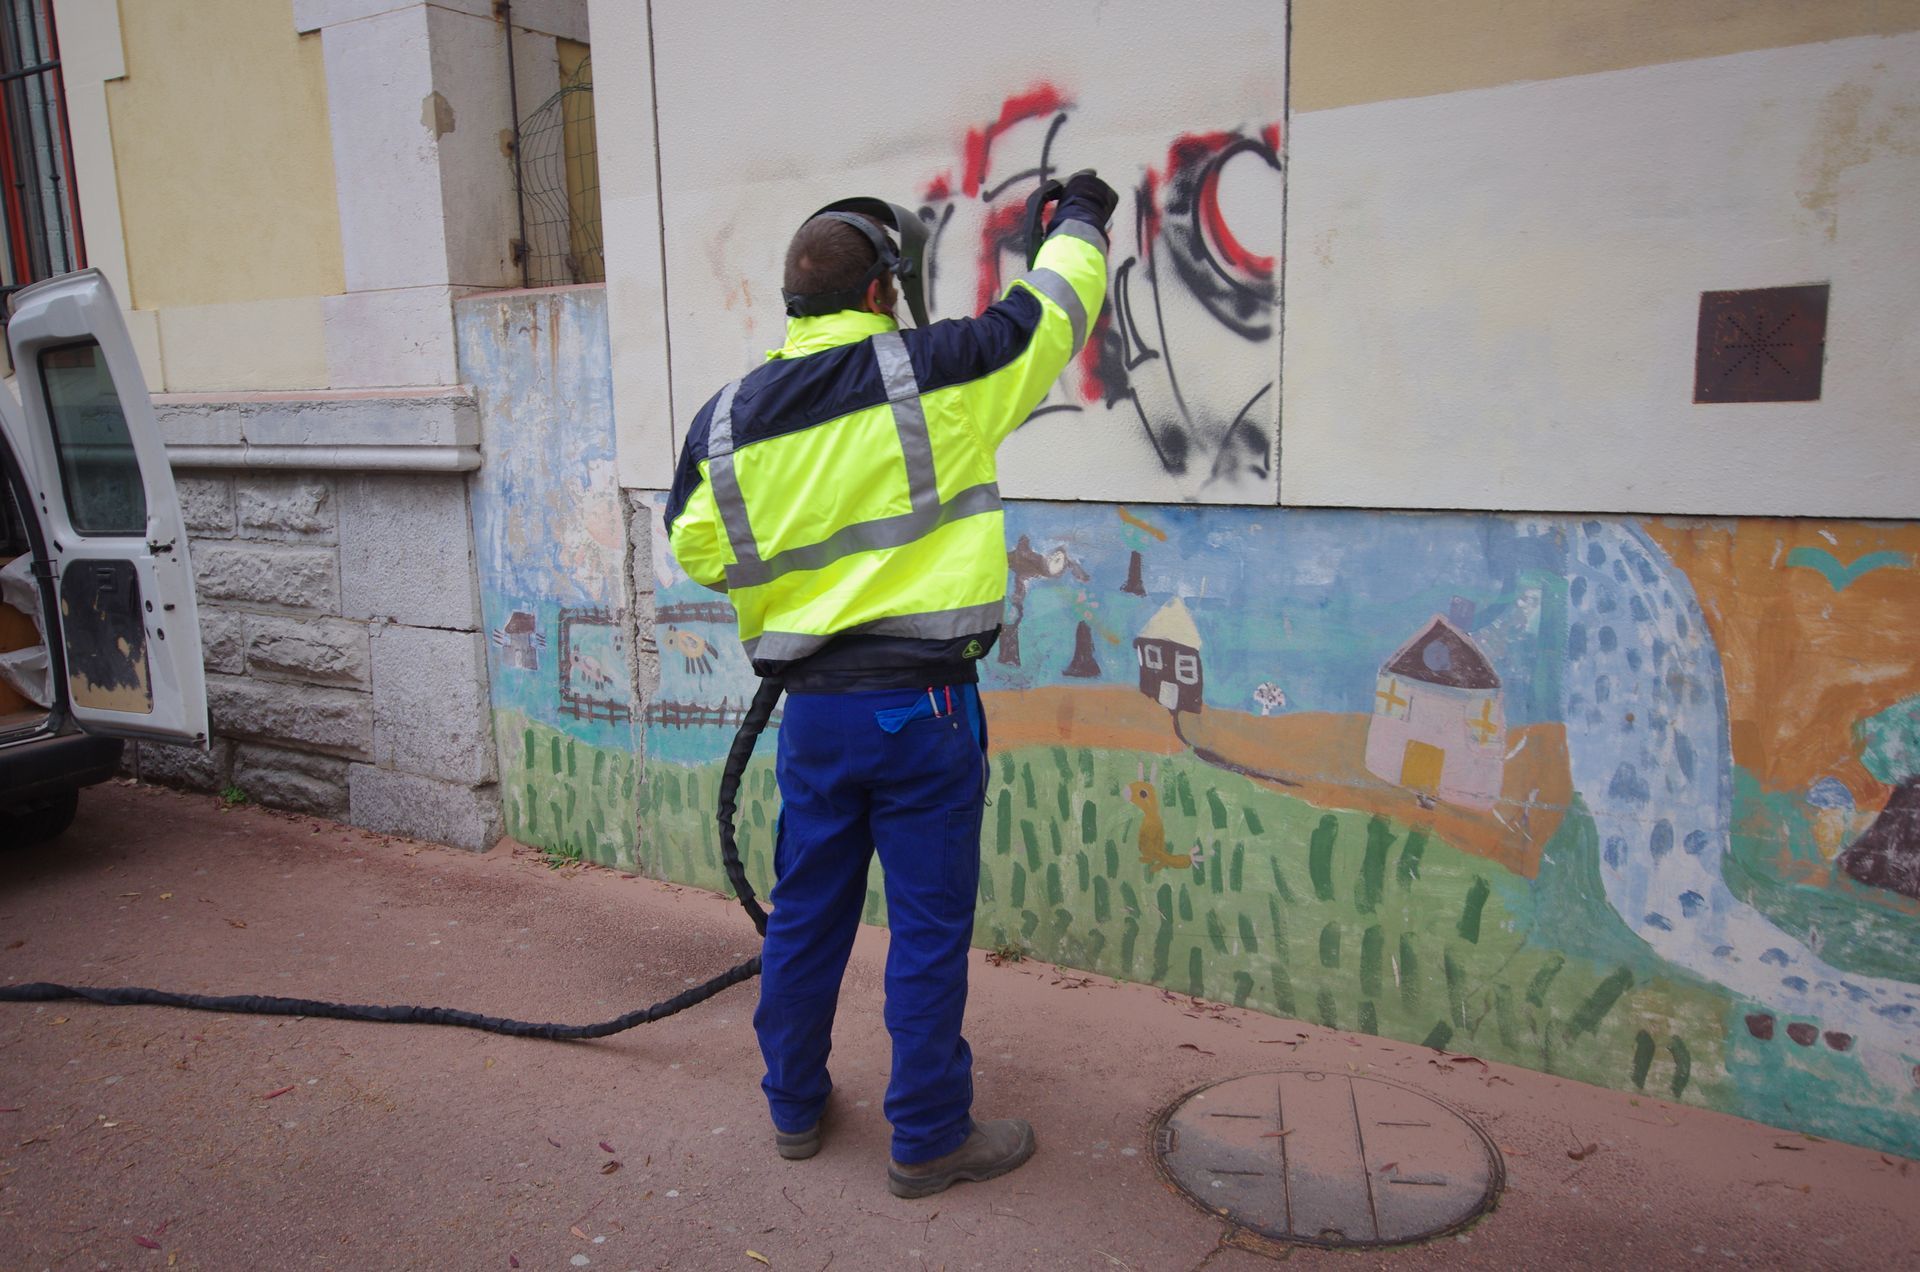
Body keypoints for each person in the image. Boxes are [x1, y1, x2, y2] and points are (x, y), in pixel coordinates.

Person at [664, 171, 1116, 1198]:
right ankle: (928, 1136)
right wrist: (1080, 219)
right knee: (927, 929)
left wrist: (800, 585)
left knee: (805, 916)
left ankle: (793, 1108)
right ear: (882, 290)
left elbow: (696, 545)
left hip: (815, 717)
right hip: (926, 713)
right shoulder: (938, 371)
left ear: (797, 297)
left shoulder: (724, 423)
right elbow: (1053, 310)